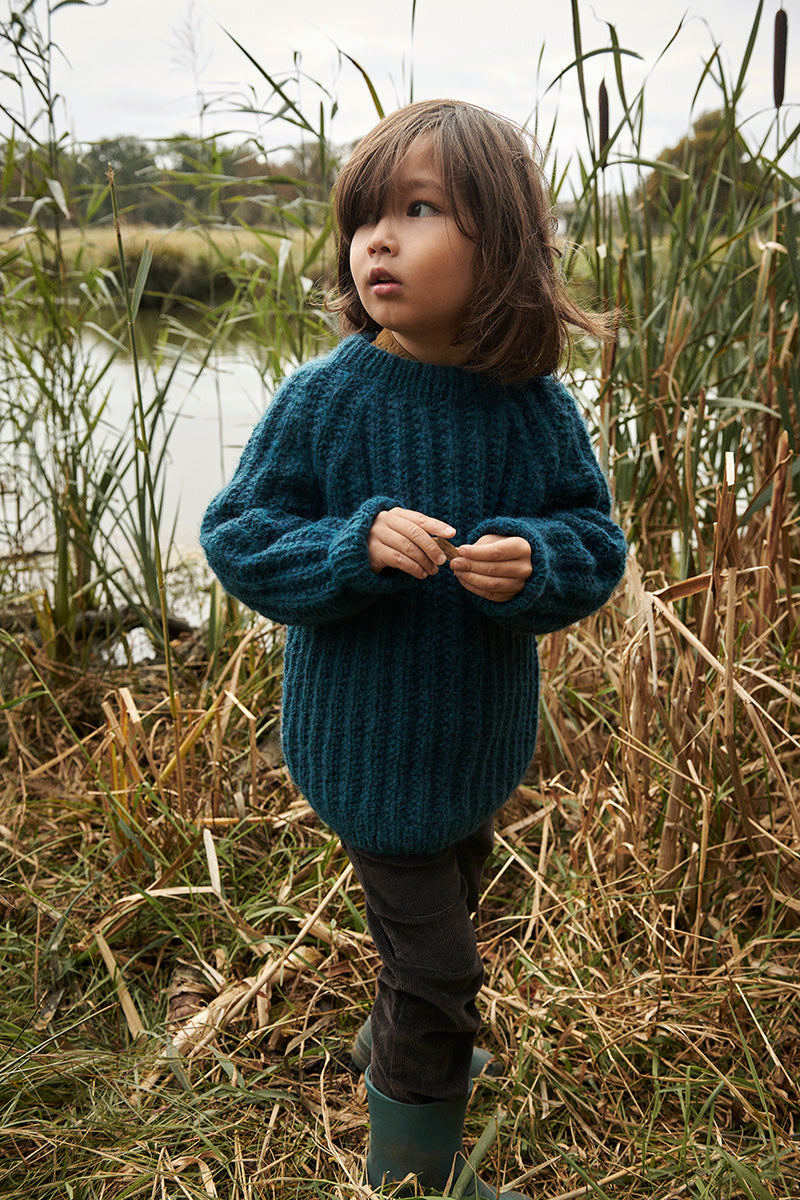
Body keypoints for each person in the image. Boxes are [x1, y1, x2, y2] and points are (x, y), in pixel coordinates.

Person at [200, 98, 627, 1197]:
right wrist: (350, 546)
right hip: (365, 751)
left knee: (450, 907)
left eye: (420, 210)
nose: (377, 240)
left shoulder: (532, 409)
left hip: (473, 743)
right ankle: (413, 1174)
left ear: (504, 244)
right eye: (364, 218)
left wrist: (536, 560)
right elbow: (241, 538)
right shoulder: (326, 399)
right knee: (443, 967)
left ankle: (400, 1032)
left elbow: (593, 539)